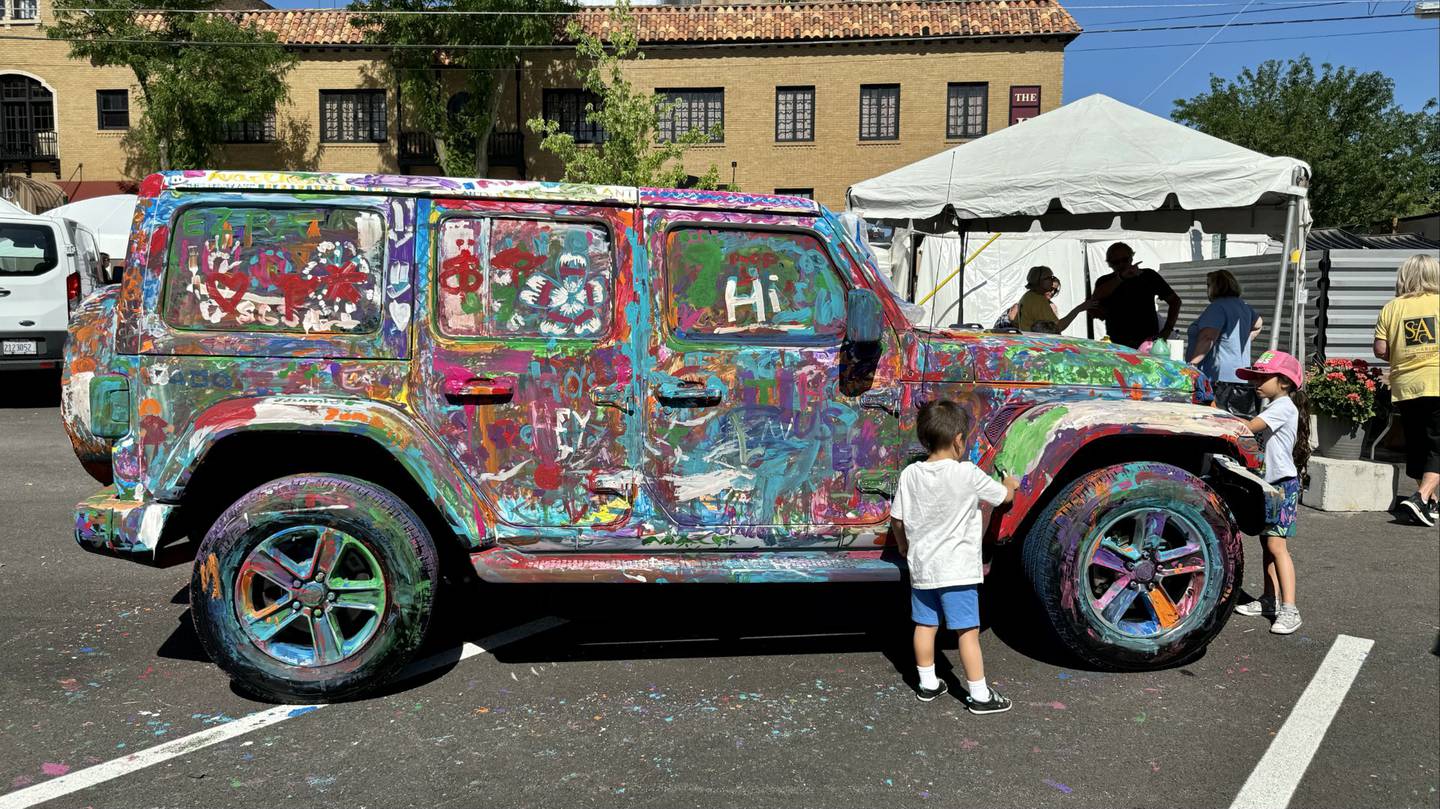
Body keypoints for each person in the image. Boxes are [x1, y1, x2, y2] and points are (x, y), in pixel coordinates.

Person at [889, 400, 1019, 714]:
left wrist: (904, 547)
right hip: (958, 571)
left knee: (924, 625)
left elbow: (897, 520)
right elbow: (1004, 499)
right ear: (959, 439)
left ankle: (928, 684)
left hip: (923, 568)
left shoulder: (910, 476)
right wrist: (1010, 484)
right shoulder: (967, 474)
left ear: (925, 440)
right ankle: (979, 695)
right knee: (967, 632)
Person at [1233, 351, 1310, 635]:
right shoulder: (1275, 404)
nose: (1257, 382)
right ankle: (1269, 600)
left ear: (1285, 382)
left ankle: (1290, 608)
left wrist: (1225, 422)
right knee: (1268, 545)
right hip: (1270, 484)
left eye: (1264, 377)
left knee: (1277, 547)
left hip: (1282, 485)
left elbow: (1250, 428)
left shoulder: (1282, 406)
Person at [1374, 253, 1440, 527]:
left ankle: (1429, 502)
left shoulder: (1392, 307)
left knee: (1417, 442)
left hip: (1406, 384)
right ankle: (1421, 497)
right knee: (1437, 442)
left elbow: (1380, 350)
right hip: (1437, 380)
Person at [1186, 270, 1264, 417]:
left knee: (1213, 424)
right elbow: (1258, 324)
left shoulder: (1217, 307)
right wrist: (1242, 340)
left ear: (1215, 286)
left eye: (1208, 285)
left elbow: (1207, 337)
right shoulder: (1244, 306)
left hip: (1218, 380)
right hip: (1241, 377)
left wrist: (1191, 365)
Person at [1089, 242, 1182, 350]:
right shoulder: (1105, 281)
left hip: (1147, 343)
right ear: (1110, 264)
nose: (1121, 264)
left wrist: (1167, 330)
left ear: (1131, 258)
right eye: (1116, 262)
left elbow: (1175, 301)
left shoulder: (1148, 275)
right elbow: (1094, 300)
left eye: (1125, 260)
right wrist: (1121, 277)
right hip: (1118, 343)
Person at [1012, 266, 1091, 334]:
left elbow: (1016, 322)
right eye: (1049, 278)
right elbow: (1058, 327)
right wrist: (1078, 309)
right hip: (1039, 345)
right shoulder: (1038, 300)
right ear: (1039, 281)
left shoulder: (1027, 296)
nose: (1052, 281)